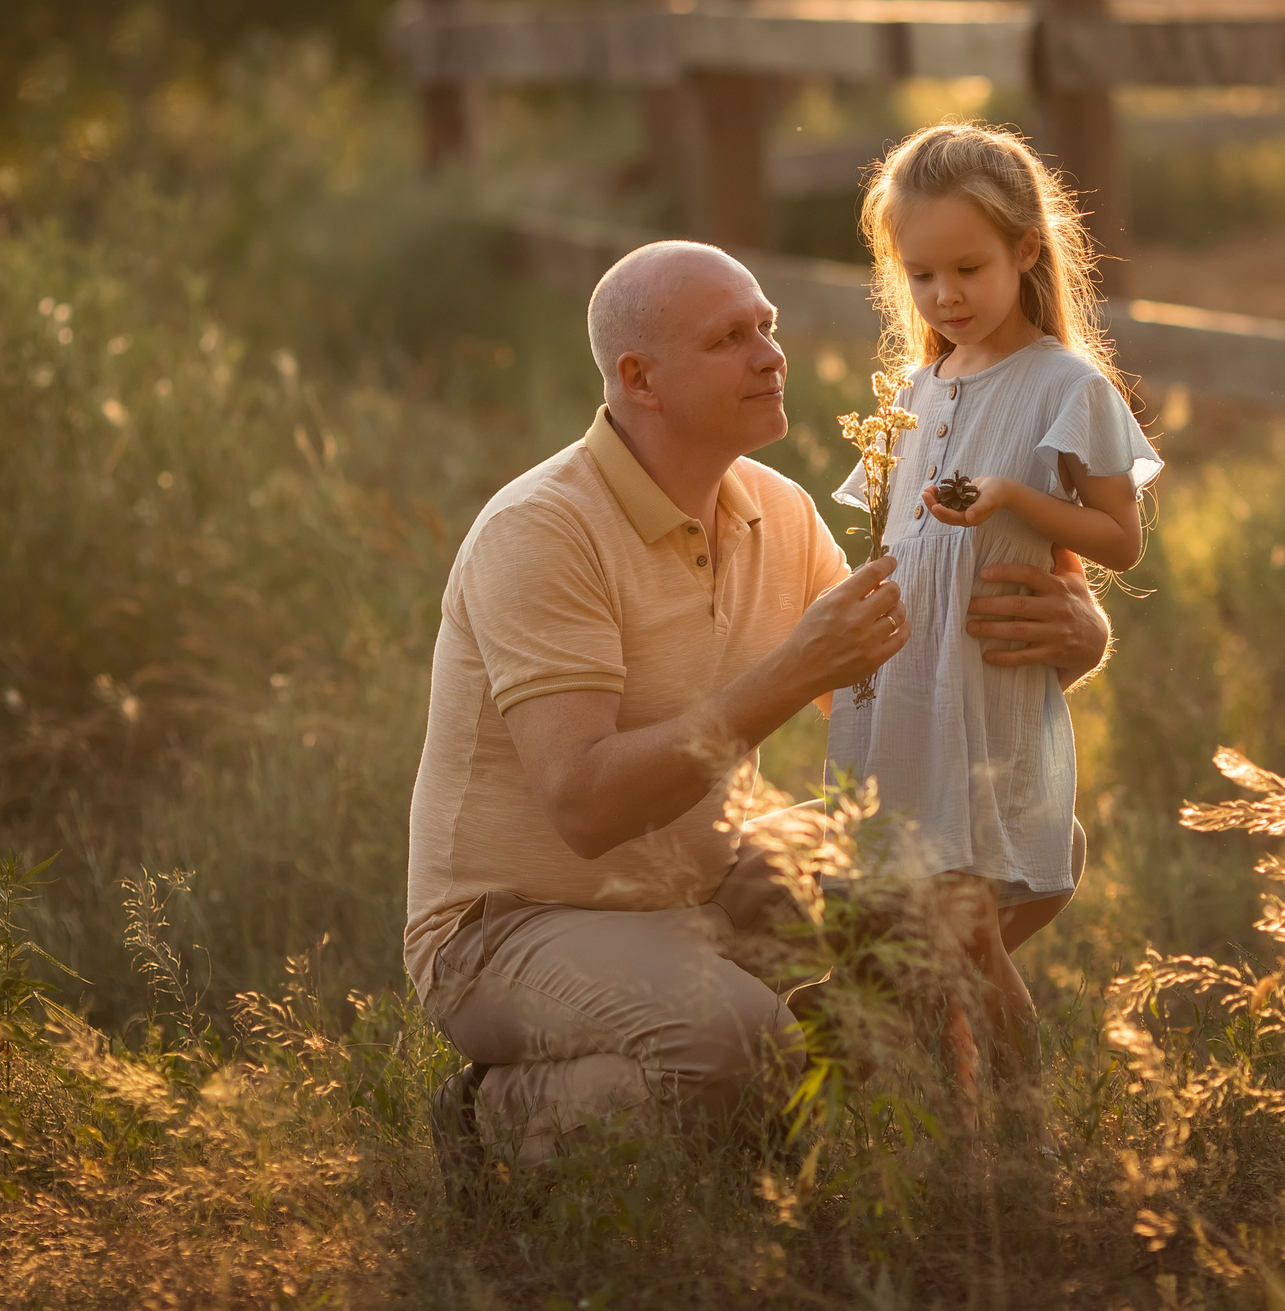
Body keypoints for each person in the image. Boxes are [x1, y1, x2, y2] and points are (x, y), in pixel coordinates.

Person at [406, 238, 1113, 1180]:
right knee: (738, 1048)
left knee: (1015, 848)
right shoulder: (543, 532)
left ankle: (781, 1061)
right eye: (731, 338)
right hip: (513, 926)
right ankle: (490, 1115)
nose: (771, 353)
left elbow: (907, 700)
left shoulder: (773, 510)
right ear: (641, 379)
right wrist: (789, 671)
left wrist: (1072, 642)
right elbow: (585, 806)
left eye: (768, 326)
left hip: (706, 887)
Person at [827, 122, 1161, 1083]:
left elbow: (1119, 537)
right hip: (910, 689)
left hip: (986, 694)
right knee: (908, 929)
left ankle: (1023, 1140)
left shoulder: (1066, 384)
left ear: (1026, 249)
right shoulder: (919, 383)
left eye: (969, 267)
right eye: (922, 275)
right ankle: (948, 1136)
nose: (946, 296)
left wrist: (1014, 499)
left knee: (961, 926)